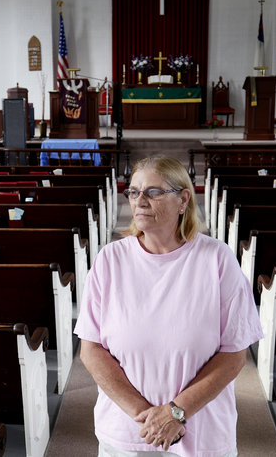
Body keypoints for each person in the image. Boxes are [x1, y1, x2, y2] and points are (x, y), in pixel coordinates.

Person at [74, 155, 263, 456]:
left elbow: (234, 353)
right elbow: (91, 349)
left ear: (183, 199)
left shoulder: (217, 259)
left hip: (202, 433)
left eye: (153, 192)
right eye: (134, 192)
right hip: (127, 431)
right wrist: (146, 416)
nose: (140, 201)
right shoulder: (109, 260)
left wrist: (176, 412)